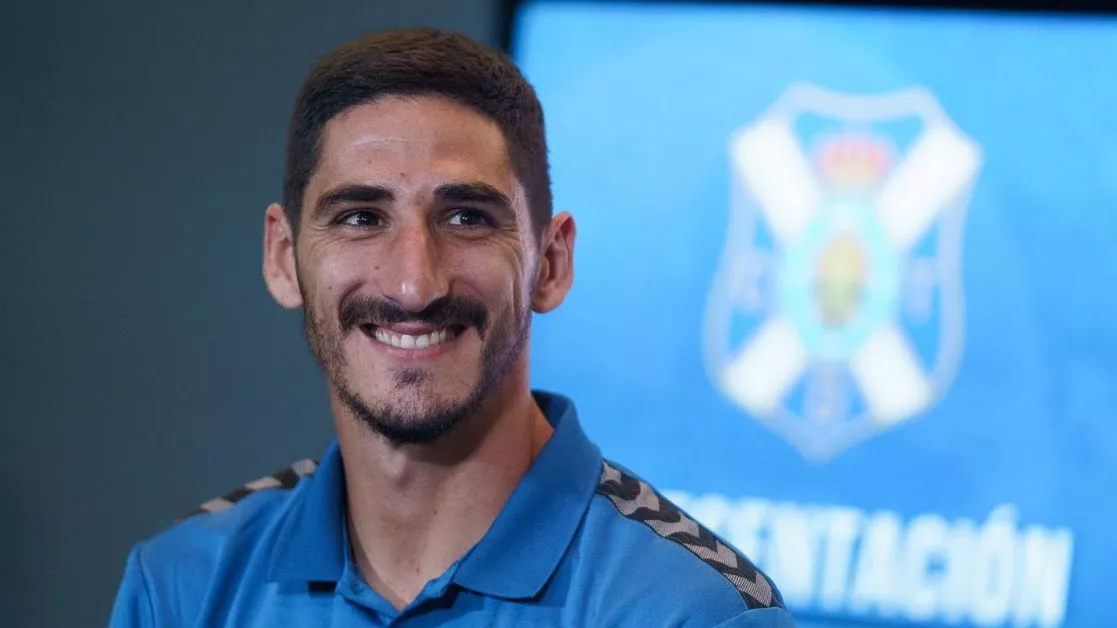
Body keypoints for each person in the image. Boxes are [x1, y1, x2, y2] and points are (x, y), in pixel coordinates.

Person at [108, 28, 793, 627]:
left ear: (550, 264)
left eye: (466, 217)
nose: (414, 284)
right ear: (284, 259)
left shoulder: (693, 612)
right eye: (360, 217)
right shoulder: (182, 587)